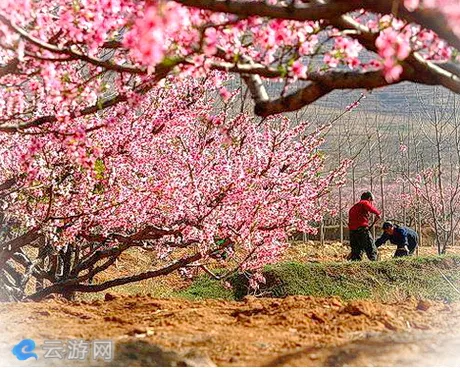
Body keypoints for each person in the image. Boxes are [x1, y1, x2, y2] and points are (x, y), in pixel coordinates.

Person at [348, 191, 381, 261]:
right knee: (371, 248)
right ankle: (375, 265)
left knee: (356, 251)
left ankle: (355, 265)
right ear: (369, 198)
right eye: (371, 201)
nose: (371, 203)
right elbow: (371, 208)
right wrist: (378, 213)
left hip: (352, 232)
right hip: (362, 231)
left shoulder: (353, 207)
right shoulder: (364, 202)